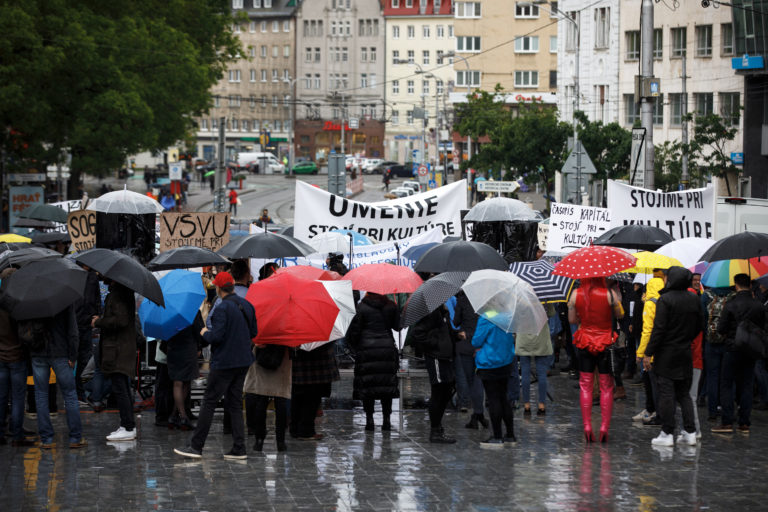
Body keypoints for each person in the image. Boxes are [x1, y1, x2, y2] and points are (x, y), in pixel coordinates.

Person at [174, 272, 257, 459]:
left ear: (219, 288)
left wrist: (204, 332)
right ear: (232, 286)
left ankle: (196, 446)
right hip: (243, 361)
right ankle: (239, 447)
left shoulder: (222, 308)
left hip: (224, 363)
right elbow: (254, 332)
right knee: (235, 404)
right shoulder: (247, 305)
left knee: (209, 402)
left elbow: (216, 337)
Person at [644, 267, 704, 447]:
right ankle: (690, 432)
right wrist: (686, 338)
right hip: (685, 351)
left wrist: (649, 352)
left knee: (667, 394)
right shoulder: (694, 298)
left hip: (666, 353)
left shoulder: (665, 299)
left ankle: (667, 432)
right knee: (684, 394)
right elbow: (699, 324)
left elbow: (659, 329)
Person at [568, 278, 623, 442]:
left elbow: (572, 320)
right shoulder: (610, 294)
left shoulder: (575, 294)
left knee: (585, 385)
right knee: (606, 386)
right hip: (605, 341)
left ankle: (587, 425)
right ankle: (604, 426)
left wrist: (581, 316)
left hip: (585, 340)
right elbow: (620, 315)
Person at [713, 273, 766, 434]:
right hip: (750, 349)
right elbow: (763, 327)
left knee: (727, 384)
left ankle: (727, 422)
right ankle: (744, 423)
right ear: (750, 286)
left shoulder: (731, 304)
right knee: (747, 384)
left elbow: (721, 328)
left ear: (736, 285)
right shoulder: (758, 305)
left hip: (732, 348)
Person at [29, 305, 85, 449]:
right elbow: (73, 331)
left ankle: (46, 439)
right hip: (60, 351)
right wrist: (73, 355)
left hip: (38, 351)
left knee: (41, 395)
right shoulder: (64, 300)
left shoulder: (32, 301)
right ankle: (75, 437)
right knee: (70, 395)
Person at [346, 292, 401, 432]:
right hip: (387, 348)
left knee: (368, 386)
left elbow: (355, 331)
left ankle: (369, 420)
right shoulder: (391, 305)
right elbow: (397, 326)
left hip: (367, 349)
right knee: (386, 386)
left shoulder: (361, 307)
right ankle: (386, 421)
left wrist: (355, 347)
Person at [93, 281, 138, 442]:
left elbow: (121, 320)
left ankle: (128, 427)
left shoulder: (118, 294)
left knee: (120, 388)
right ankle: (127, 424)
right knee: (122, 387)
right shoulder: (123, 292)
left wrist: (99, 321)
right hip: (120, 348)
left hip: (118, 349)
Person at [412, 304, 457, 444]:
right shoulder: (431, 313)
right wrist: (436, 344)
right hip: (437, 357)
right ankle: (435, 430)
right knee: (438, 391)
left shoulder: (442, 313)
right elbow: (417, 333)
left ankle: (438, 427)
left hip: (445, 357)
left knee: (447, 390)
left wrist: (456, 336)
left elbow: (445, 333)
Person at [0, 268, 34, 446]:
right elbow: (25, 334)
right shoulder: (17, 303)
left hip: (1, 356)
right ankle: (16, 434)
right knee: (18, 398)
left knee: (1, 397)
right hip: (17, 356)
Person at [471, 317, 517, 448]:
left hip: (490, 362)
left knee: (493, 399)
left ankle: (497, 436)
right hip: (506, 360)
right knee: (503, 397)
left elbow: (476, 341)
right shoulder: (507, 316)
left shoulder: (486, 317)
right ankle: (510, 435)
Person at [634, 271, 667, 426]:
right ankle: (656, 411)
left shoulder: (650, 303)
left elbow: (647, 331)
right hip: (663, 348)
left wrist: (641, 353)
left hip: (651, 351)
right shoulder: (664, 299)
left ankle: (657, 414)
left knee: (653, 384)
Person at [290, 342, 339, 440]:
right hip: (316, 365)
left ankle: (295, 429)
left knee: (298, 396)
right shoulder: (320, 334)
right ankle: (306, 432)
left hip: (299, 362)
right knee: (312, 398)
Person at [453, 291, 488, 429]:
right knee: (478, 379)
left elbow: (456, 321)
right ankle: (478, 413)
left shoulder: (462, 300)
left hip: (466, 343)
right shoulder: (485, 299)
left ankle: (475, 411)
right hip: (482, 344)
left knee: (469, 380)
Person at [166, 312, 205, 431]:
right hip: (188, 348)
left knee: (177, 383)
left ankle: (174, 416)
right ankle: (183, 417)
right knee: (185, 383)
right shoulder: (192, 310)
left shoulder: (168, 311)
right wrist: (200, 346)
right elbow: (199, 330)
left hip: (173, 348)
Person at [516, 321, 554, 416]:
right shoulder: (542, 309)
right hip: (540, 337)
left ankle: (526, 405)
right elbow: (551, 313)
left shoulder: (520, 309)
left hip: (524, 338)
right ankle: (542, 405)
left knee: (525, 373)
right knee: (542, 373)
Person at [74, 271, 101, 404]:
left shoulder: (92, 277)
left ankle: (79, 393)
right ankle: (77, 392)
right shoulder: (79, 275)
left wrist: (96, 315)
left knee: (83, 360)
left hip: (85, 323)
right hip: (78, 322)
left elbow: (96, 299)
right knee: (76, 359)